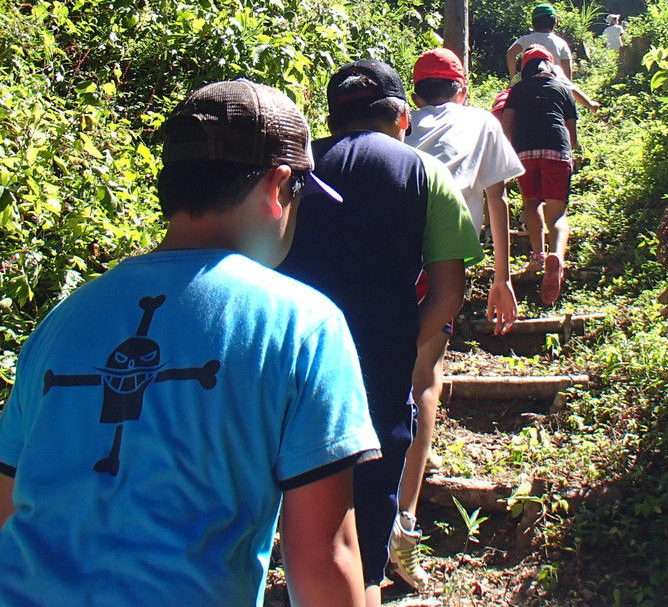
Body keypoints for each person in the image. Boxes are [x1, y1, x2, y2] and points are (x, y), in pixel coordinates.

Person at [0, 79, 381, 607]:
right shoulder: (305, 325)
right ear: (278, 187)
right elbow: (323, 557)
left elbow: (10, 509)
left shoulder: (60, 321)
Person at [279, 59, 483, 607]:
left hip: (288, 366)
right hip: (377, 370)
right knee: (364, 542)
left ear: (332, 117)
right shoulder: (423, 173)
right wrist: (403, 343)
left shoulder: (292, 170)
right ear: (401, 116)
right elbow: (447, 292)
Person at [388, 47, 524, 590]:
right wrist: (502, 277)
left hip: (383, 263)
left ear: (415, 95)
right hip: (438, 268)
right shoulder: (482, 122)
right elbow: (497, 201)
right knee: (424, 381)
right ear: (462, 88)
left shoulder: (399, 126)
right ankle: (402, 524)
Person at [500, 46, 578, 305]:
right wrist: (568, 153)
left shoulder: (517, 90)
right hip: (556, 147)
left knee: (532, 203)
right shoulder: (562, 89)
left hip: (525, 151)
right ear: (549, 65)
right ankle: (557, 256)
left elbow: (506, 124)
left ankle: (538, 256)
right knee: (558, 214)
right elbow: (572, 134)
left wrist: (510, 154)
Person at [507, 2, 600, 112]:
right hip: (554, 77)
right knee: (569, 86)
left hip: (529, 75)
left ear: (533, 23)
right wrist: (565, 84)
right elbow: (567, 68)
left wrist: (513, 77)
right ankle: (590, 105)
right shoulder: (560, 42)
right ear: (555, 22)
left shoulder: (525, 39)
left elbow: (510, 53)